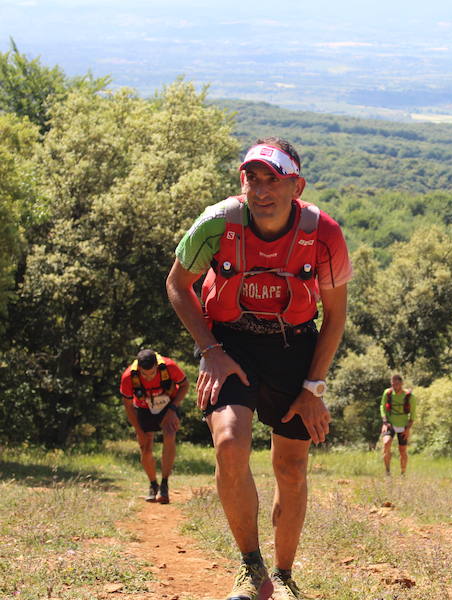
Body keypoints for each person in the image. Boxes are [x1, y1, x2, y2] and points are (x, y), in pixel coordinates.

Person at [166, 138, 352, 600]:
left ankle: (285, 577)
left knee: (290, 467)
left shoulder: (323, 234)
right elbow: (177, 284)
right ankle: (252, 570)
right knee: (229, 442)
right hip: (229, 343)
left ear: (296, 186)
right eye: (253, 177)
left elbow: (336, 314)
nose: (262, 189)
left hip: (294, 348)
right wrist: (209, 349)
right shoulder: (217, 223)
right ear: (241, 180)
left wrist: (313, 386)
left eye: (274, 179)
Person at [119, 348, 189, 504]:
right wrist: (139, 430)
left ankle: (164, 484)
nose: (148, 378)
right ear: (139, 369)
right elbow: (128, 406)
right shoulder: (128, 377)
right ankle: (153, 484)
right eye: (144, 374)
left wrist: (173, 408)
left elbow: (185, 385)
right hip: (143, 408)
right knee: (145, 447)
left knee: (170, 435)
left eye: (152, 373)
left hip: (167, 406)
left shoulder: (169, 366)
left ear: (157, 366)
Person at [379, 374, 416, 476]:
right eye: (393, 384)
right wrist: (385, 422)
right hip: (390, 423)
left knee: (402, 451)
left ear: (401, 384)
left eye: (397, 384)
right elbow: (382, 406)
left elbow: (413, 415)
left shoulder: (409, 396)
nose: (395, 386)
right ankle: (387, 471)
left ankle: (403, 473)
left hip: (403, 425)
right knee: (386, 444)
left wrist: (407, 429)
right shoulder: (388, 393)